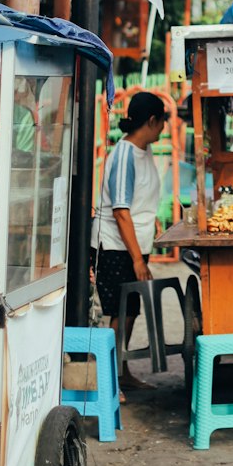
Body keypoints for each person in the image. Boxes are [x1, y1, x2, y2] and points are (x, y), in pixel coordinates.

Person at [93, 90, 167, 397]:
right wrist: (137, 259)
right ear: (151, 121)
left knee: (131, 311)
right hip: (116, 246)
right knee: (118, 313)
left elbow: (138, 201)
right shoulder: (124, 155)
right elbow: (121, 211)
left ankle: (120, 372)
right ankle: (107, 380)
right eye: (162, 121)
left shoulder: (143, 151)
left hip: (135, 245)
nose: (163, 127)